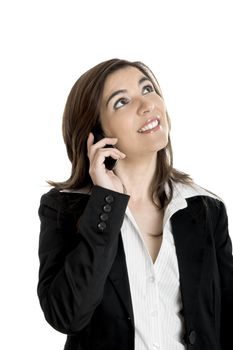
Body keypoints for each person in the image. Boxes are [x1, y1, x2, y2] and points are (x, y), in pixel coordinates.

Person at [37, 58, 233, 350]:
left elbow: (226, 318)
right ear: (97, 134)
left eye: (148, 88)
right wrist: (107, 202)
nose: (146, 104)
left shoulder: (204, 208)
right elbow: (67, 316)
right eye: (121, 102)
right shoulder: (65, 209)